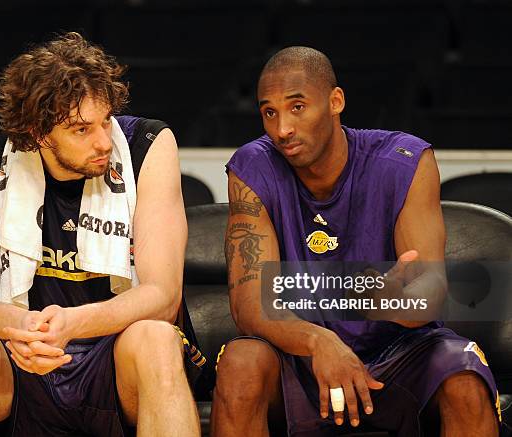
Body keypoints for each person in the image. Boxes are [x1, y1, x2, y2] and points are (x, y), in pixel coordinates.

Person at [0, 32, 201, 437]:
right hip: (14, 361)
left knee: (157, 338)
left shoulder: (147, 144)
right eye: (80, 130)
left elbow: (163, 296)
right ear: (39, 134)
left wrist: (72, 324)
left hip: (113, 358)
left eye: (106, 121)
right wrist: (20, 326)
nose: (103, 143)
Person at [210, 46, 500, 436]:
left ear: (335, 101)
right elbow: (248, 306)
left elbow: (430, 291)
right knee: (240, 363)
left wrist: (390, 300)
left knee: (463, 376)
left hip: (397, 353)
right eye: (269, 112)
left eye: (297, 107)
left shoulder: (406, 159)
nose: (282, 129)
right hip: (298, 357)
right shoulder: (252, 167)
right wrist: (318, 341)